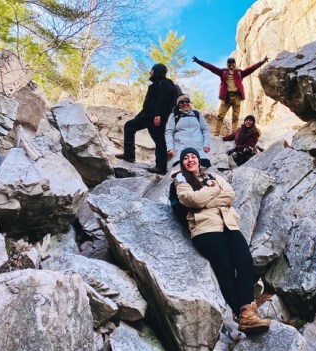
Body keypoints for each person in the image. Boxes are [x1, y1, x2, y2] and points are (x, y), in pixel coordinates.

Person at [173, 147, 271, 334]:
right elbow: (192, 200)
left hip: (229, 224)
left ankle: (246, 313)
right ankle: (245, 313)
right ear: (182, 163)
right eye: (185, 158)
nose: (190, 159)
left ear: (199, 160)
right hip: (205, 229)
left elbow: (230, 195)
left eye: (193, 156)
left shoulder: (214, 177)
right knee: (225, 269)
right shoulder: (181, 180)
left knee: (245, 262)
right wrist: (214, 192)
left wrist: (205, 200)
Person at [116, 63, 175, 174]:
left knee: (159, 141)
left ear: (157, 71)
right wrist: (140, 115)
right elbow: (150, 103)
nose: (150, 72)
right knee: (129, 126)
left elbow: (164, 100)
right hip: (146, 116)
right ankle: (129, 155)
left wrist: (159, 115)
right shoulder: (156, 84)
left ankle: (161, 167)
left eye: (152, 70)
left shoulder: (166, 83)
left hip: (156, 118)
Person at [192, 55, 269, 136]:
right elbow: (211, 67)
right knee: (220, 115)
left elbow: (251, 69)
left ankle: (234, 133)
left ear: (235, 64)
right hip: (226, 97)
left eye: (232, 63)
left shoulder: (240, 73)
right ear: (227, 64)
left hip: (237, 97)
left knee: (235, 116)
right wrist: (199, 61)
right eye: (229, 63)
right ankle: (216, 133)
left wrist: (262, 62)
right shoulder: (223, 72)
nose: (231, 65)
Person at [166, 94, 212, 167]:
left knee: (206, 173)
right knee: (180, 175)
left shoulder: (197, 114)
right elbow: (169, 132)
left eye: (187, 101)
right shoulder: (174, 116)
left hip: (199, 151)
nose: (185, 104)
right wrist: (170, 148)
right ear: (178, 104)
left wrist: (206, 145)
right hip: (181, 152)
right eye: (182, 102)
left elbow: (205, 129)